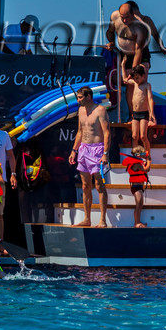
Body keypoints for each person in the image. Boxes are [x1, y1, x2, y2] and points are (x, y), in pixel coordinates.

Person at [70, 85, 111, 228]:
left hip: (97, 150)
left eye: (80, 97)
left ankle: (102, 220)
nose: (78, 100)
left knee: (99, 185)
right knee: (85, 185)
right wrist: (74, 150)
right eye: (77, 97)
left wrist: (105, 153)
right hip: (83, 150)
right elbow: (80, 132)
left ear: (88, 97)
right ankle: (87, 219)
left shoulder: (100, 110)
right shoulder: (81, 110)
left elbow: (106, 133)